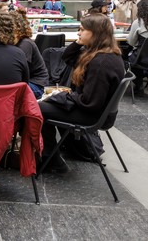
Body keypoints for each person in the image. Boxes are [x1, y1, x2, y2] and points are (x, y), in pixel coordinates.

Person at [39, 15, 125, 172]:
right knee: (44, 104)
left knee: (37, 109)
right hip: (96, 111)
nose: (78, 33)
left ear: (95, 33)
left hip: (91, 115)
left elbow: (90, 103)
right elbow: (67, 58)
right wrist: (79, 42)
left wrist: (62, 96)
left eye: (82, 30)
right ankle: (49, 154)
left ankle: (51, 159)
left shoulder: (101, 62)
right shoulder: (101, 53)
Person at [11, 10, 49, 99]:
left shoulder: (25, 44)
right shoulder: (14, 43)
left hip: (36, 85)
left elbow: (19, 73)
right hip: (26, 82)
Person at [128, 0, 148, 96]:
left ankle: (139, 85)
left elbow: (131, 42)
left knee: (129, 58)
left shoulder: (138, 22)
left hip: (142, 59)